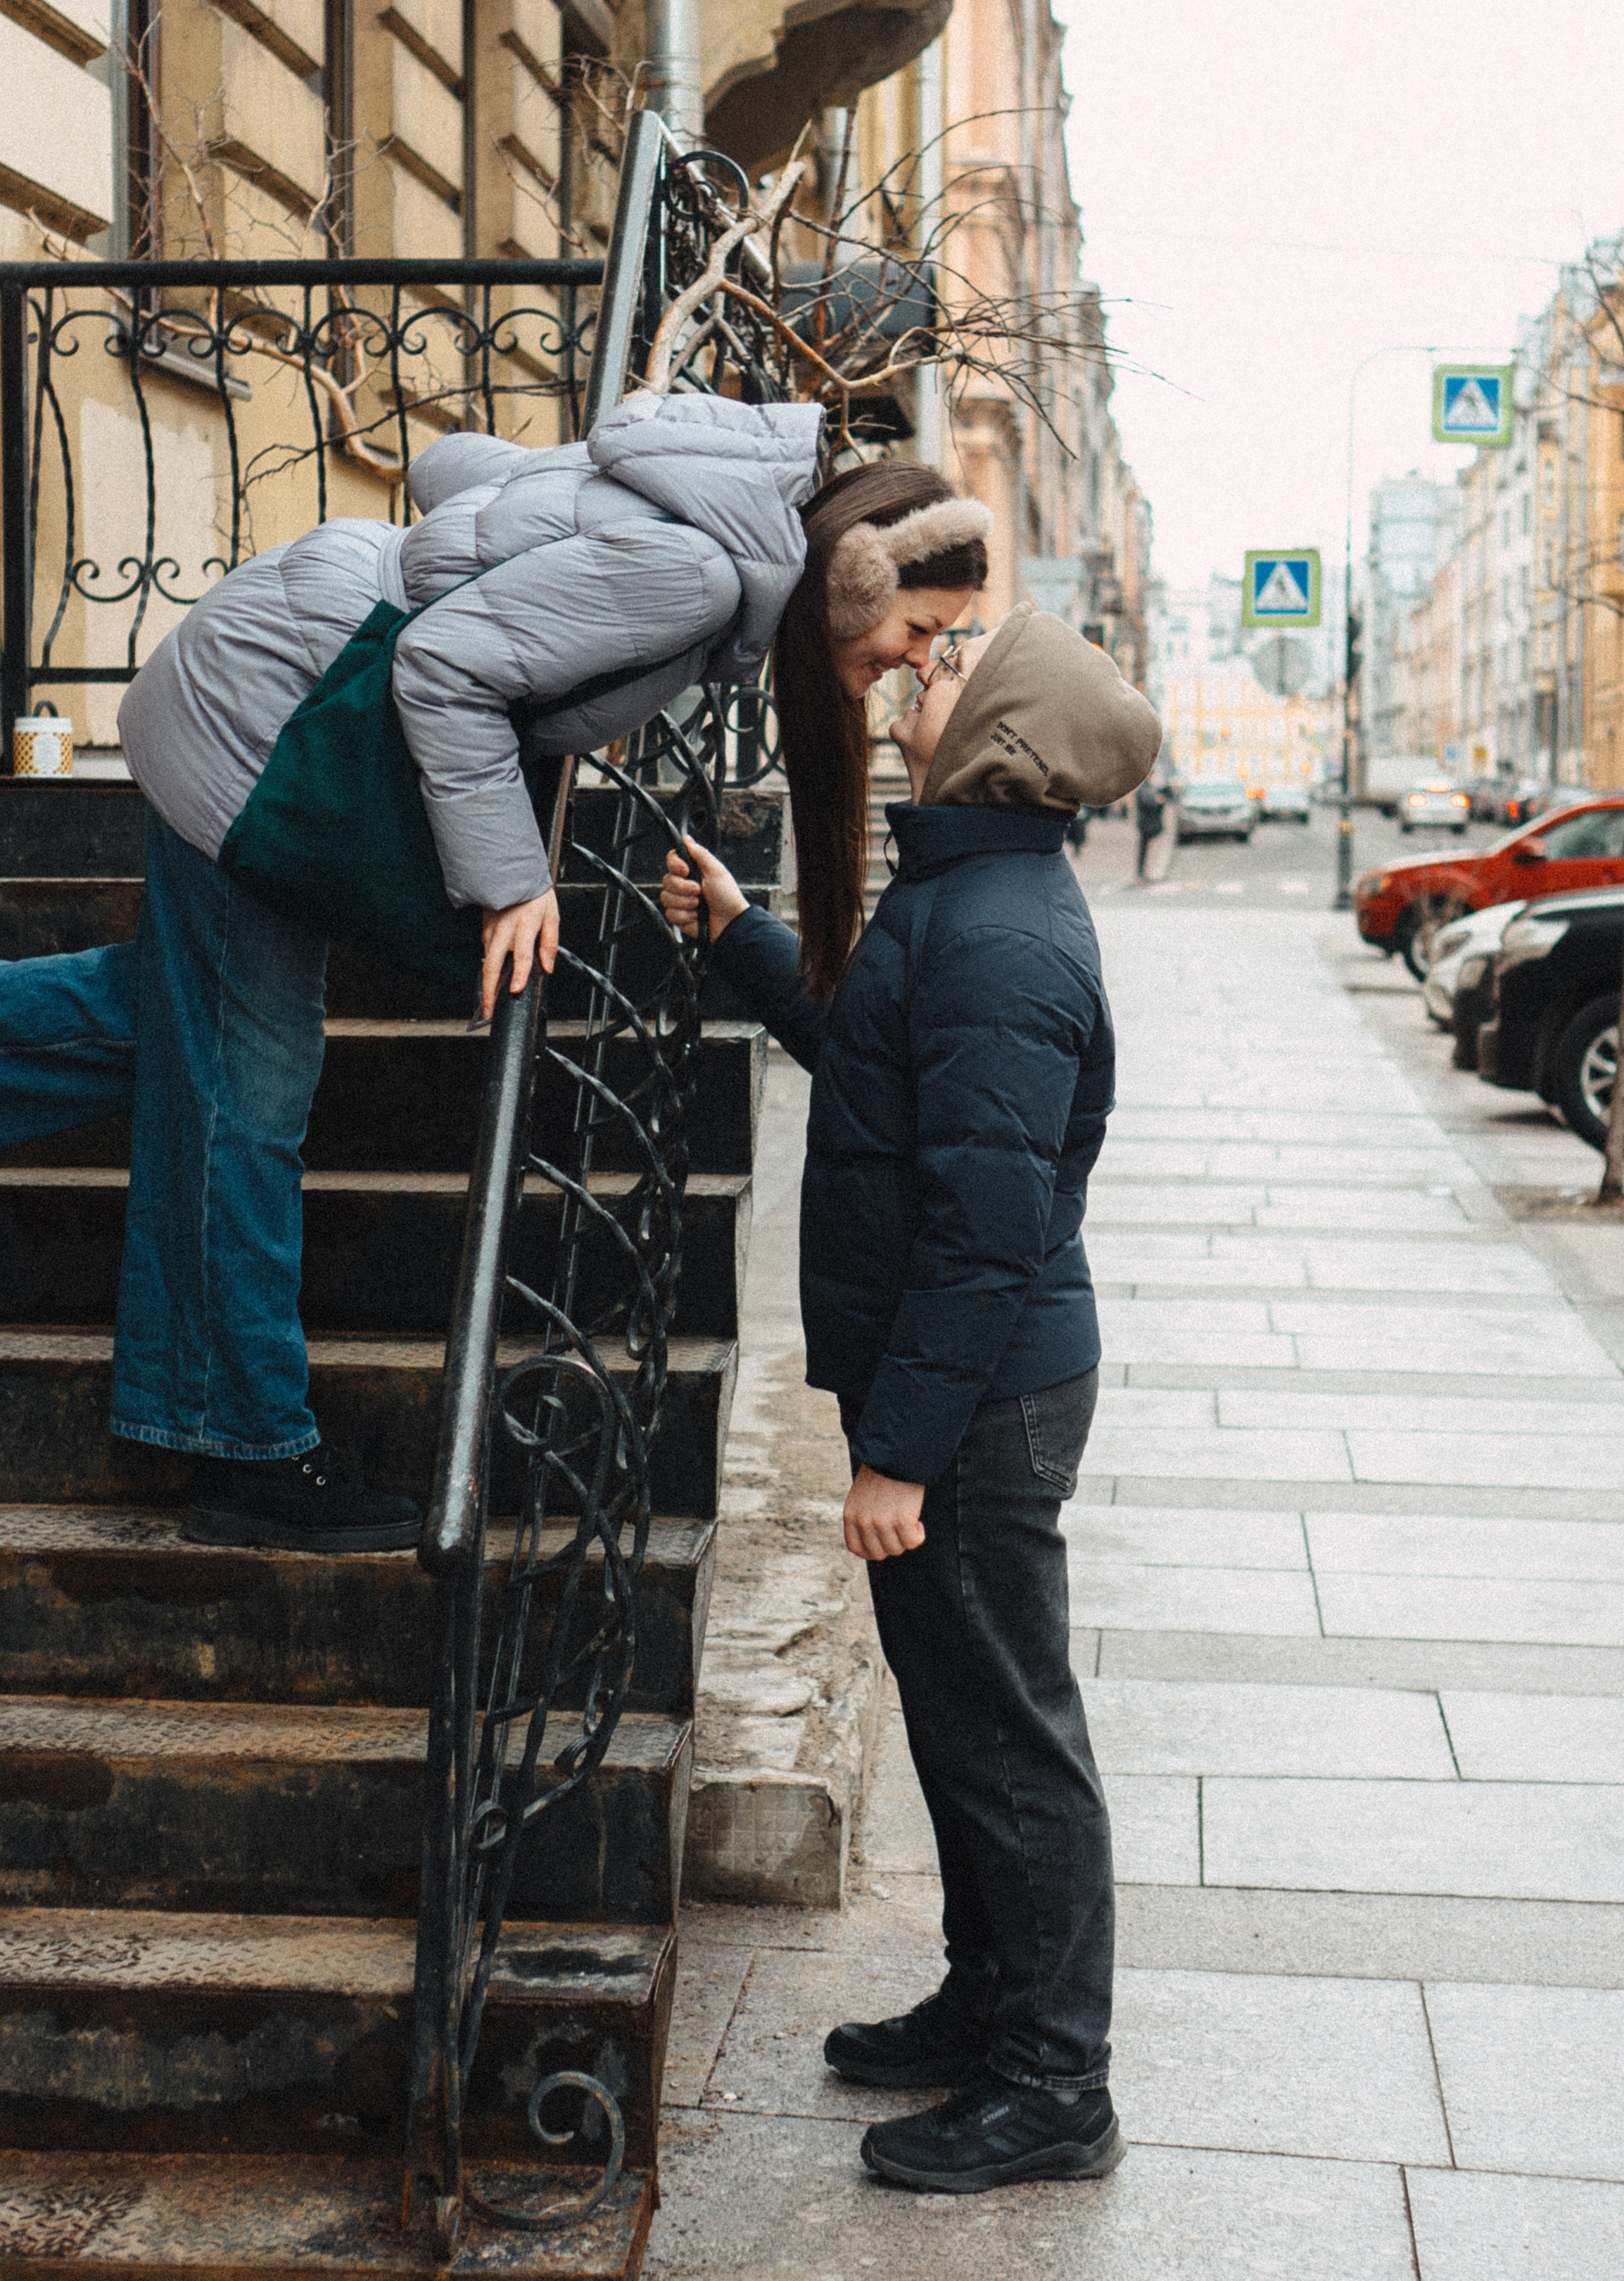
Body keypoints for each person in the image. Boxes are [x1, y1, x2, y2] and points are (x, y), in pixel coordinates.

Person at [0, 389, 839, 1551]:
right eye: (914, 630)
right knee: (248, 1085)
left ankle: (206, 1409)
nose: (907, 659)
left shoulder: (675, 488)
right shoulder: (698, 572)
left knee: (176, 1032)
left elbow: (450, 469)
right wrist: (512, 880)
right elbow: (443, 665)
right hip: (263, 724)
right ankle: (242, 1447)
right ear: (851, 589)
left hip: (256, 675)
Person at [661, 597, 1162, 2196]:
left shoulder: (1003, 932)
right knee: (959, 1719)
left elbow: (985, 1227)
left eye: (950, 665)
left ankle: (1053, 2082)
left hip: (980, 1398)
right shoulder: (955, 887)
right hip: (955, 1387)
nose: (915, 670)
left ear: (998, 729)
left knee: (1012, 1735)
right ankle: (986, 1997)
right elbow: (873, 1062)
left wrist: (896, 1455)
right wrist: (749, 931)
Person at [1134, 772, 1168, 877]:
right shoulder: (1145, 788)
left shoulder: (1148, 787)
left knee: (1145, 848)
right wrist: (1158, 801)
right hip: (1147, 823)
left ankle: (1143, 871)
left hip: (1147, 823)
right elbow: (1148, 803)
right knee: (1145, 848)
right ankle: (1142, 872)